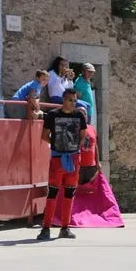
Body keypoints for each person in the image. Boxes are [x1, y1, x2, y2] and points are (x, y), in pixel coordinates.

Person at [37, 89, 87, 241]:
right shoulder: (52, 115)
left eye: (75, 100)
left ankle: (65, 228)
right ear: (63, 100)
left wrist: (76, 148)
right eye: (70, 100)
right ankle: (46, 228)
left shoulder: (79, 116)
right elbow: (44, 136)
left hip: (73, 158)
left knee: (69, 193)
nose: (73, 103)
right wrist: (57, 144)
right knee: (53, 193)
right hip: (57, 158)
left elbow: (82, 135)